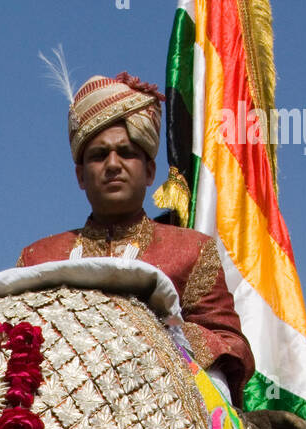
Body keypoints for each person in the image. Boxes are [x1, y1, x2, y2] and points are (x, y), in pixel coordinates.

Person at [17, 72, 254, 405]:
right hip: (60, 413)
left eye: (126, 153)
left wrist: (151, 334)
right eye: (99, 156)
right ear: (80, 176)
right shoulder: (39, 258)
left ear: (150, 172)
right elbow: (14, 341)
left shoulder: (191, 250)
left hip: (166, 414)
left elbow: (230, 344)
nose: (113, 165)